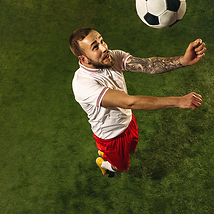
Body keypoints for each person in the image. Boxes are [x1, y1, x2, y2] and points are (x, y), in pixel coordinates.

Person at [69, 27, 206, 178]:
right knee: (121, 167)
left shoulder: (112, 57)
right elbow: (130, 102)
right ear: (83, 59)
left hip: (129, 122)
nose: (104, 48)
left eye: (102, 41)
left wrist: (183, 60)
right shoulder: (83, 85)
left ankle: (115, 157)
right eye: (95, 47)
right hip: (111, 138)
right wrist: (178, 101)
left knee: (132, 149)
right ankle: (105, 163)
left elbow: (148, 65)